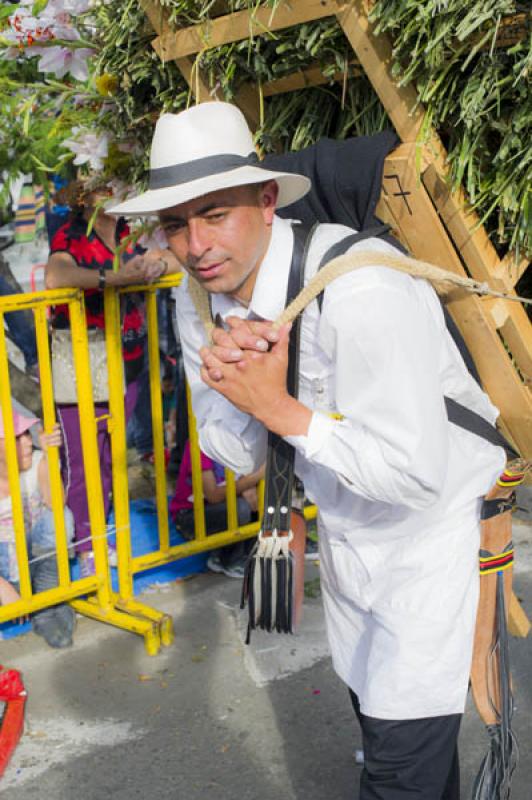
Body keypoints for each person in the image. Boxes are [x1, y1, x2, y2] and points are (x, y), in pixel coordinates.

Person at [110, 102, 505, 800]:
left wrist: (278, 408)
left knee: (396, 766)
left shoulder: (362, 287)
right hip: (347, 534)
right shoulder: (197, 300)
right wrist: (238, 394)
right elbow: (237, 456)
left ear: (267, 201)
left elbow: (414, 477)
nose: (195, 244)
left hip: (431, 537)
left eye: (214, 214)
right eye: (175, 223)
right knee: (385, 724)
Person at [45, 176, 179, 576]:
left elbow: (175, 256)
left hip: (127, 357)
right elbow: (57, 275)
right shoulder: (70, 235)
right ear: (85, 199)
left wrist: (154, 263)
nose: (113, 193)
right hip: (83, 364)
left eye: (115, 186)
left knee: (112, 455)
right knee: (84, 459)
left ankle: (106, 531)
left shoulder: (128, 232)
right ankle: (87, 545)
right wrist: (112, 279)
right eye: (104, 188)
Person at [0, 407, 76, 648]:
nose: (26, 442)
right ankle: (44, 603)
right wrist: (4, 590)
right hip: (7, 567)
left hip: (37, 556)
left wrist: (49, 459)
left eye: (26, 434)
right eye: (15, 437)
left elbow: (56, 504)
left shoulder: (34, 463)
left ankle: (46, 603)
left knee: (61, 518)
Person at [170, 438, 263, 578]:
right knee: (239, 508)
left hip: (220, 507)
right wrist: (252, 479)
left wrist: (249, 486)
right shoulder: (200, 443)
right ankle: (228, 559)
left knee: (261, 499)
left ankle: (239, 553)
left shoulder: (240, 439)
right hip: (191, 516)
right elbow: (213, 495)